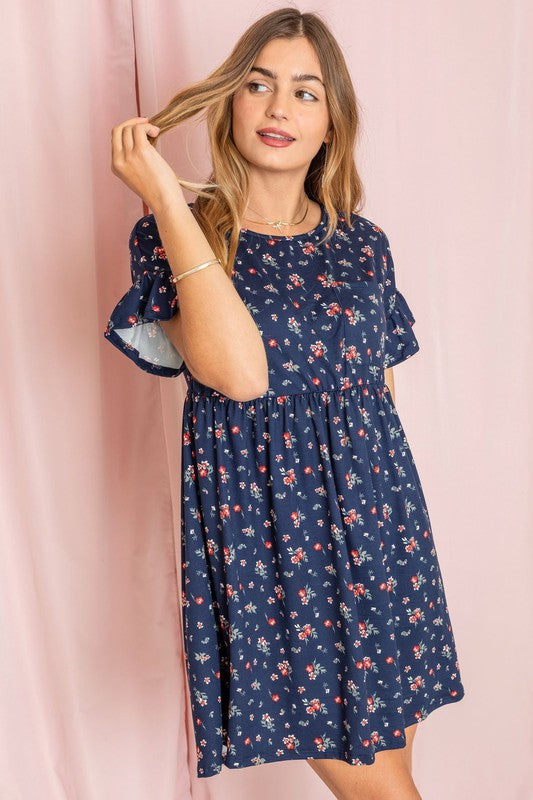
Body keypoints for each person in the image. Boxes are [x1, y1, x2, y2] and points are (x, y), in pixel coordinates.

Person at [104, 7, 465, 798]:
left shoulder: (362, 243)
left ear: (331, 120)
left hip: (380, 536)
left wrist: (389, 543)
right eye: (259, 85)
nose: (277, 108)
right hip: (273, 549)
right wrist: (166, 197)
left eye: (305, 92)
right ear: (230, 100)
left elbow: (381, 404)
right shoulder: (182, 233)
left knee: (392, 776)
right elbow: (239, 376)